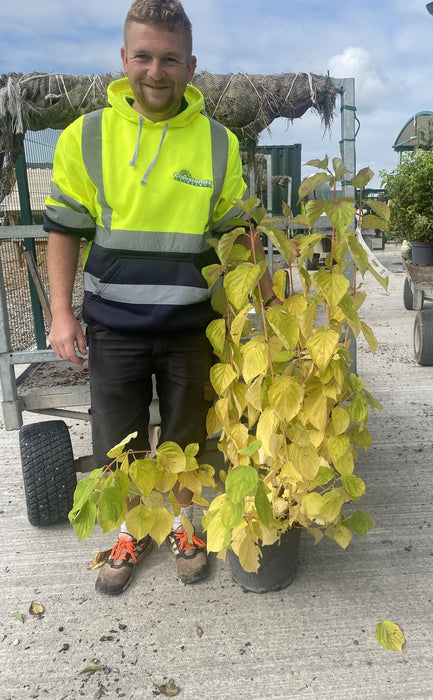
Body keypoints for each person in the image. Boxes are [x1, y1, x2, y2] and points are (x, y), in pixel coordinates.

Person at [45, 0, 276, 595]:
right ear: (124, 59)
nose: (155, 70)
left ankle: (184, 524)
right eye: (143, 56)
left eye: (169, 58)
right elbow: (64, 229)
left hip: (191, 326)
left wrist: (266, 297)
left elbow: (236, 234)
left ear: (191, 65)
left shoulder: (219, 144)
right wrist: (62, 313)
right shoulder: (87, 137)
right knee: (115, 439)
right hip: (113, 327)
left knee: (186, 437)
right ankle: (129, 530)